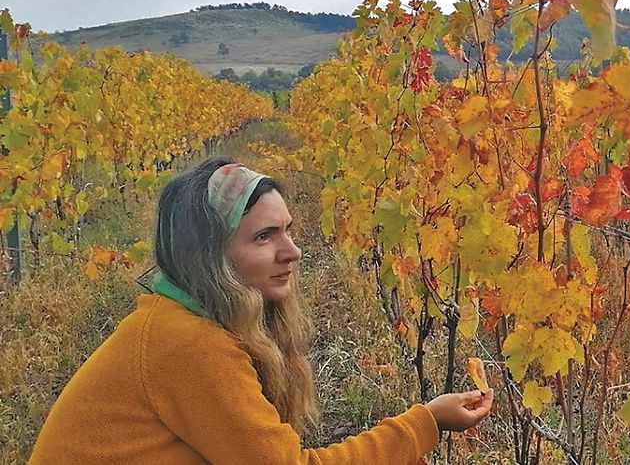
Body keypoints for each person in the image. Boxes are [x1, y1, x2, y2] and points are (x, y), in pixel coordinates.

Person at [29, 158, 493, 464]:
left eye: (288, 231)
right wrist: (426, 423)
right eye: (263, 236)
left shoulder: (183, 319)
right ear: (208, 256)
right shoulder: (188, 344)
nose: (292, 251)